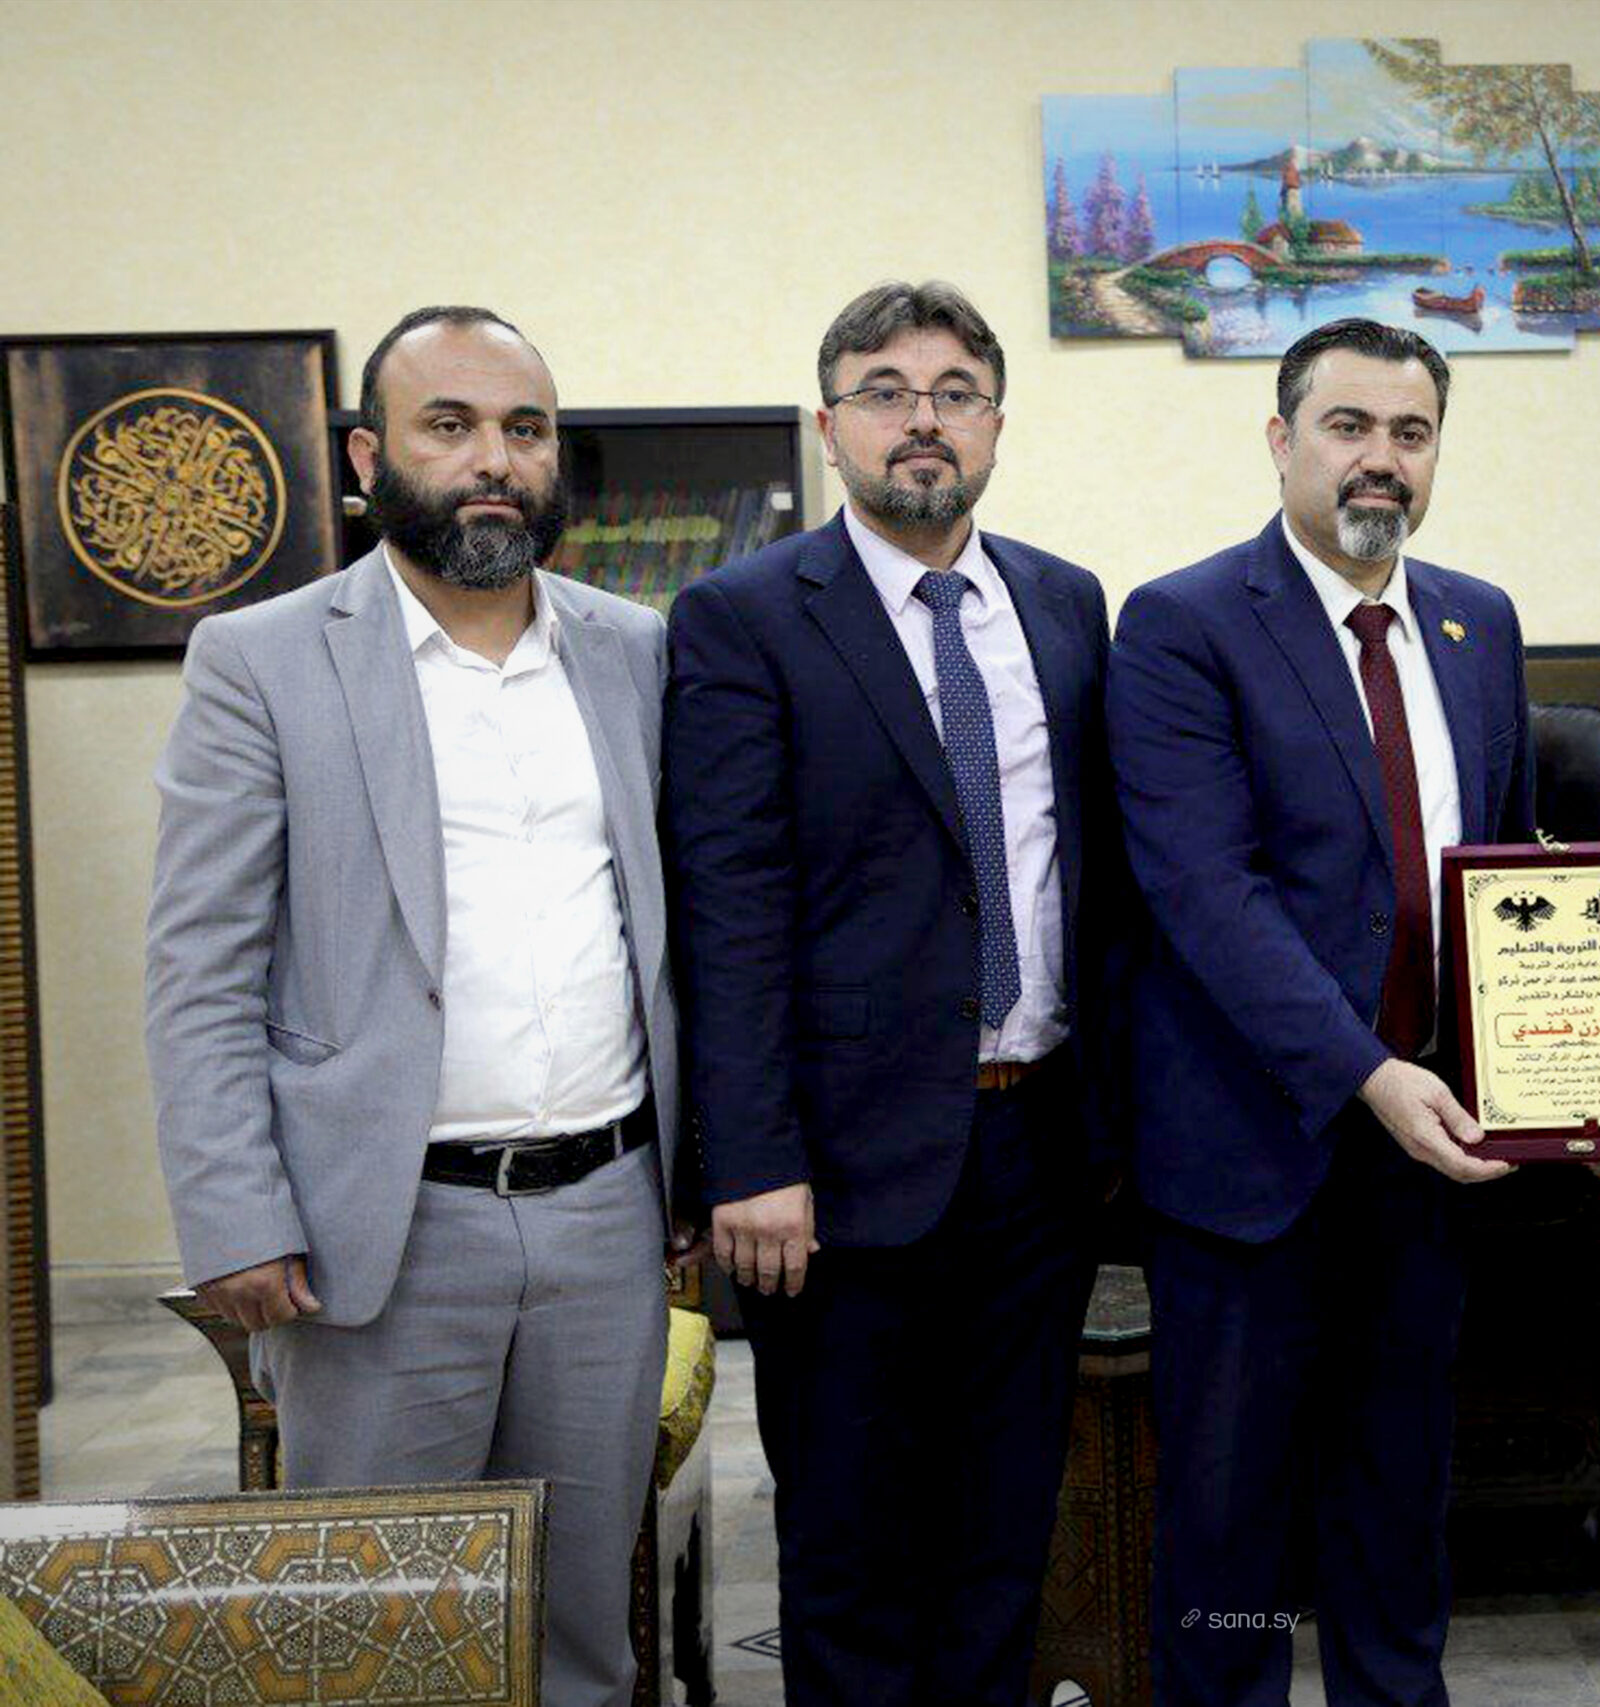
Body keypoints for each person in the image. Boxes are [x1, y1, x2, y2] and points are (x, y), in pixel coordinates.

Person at [146, 306, 686, 1707]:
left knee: (581, 1630)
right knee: (383, 1631)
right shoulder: (262, 659)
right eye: (450, 426)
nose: (493, 459)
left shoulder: (635, 649)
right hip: (378, 1231)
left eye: (525, 429)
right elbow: (201, 964)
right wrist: (234, 1212)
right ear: (367, 455)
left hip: (605, 1219)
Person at [663, 280, 1121, 1707]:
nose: (923, 421)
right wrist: (750, 1158)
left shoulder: (1064, 601)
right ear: (829, 425)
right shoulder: (744, 616)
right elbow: (729, 907)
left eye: (955, 394)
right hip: (838, 1172)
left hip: (1037, 1150)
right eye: (885, 392)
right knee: (853, 1550)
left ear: (995, 423)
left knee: (1003, 1532)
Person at [1109, 316, 1535, 1707]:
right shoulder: (1182, 625)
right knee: (1230, 1518)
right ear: (1281, 439)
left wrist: (1559, 1065)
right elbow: (1207, 894)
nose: (1380, 459)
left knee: (1398, 1495)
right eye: (1348, 426)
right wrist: (1368, 1073)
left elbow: (1508, 873)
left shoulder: (1478, 622)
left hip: (1432, 1146)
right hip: (1253, 1151)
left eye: (1411, 433)